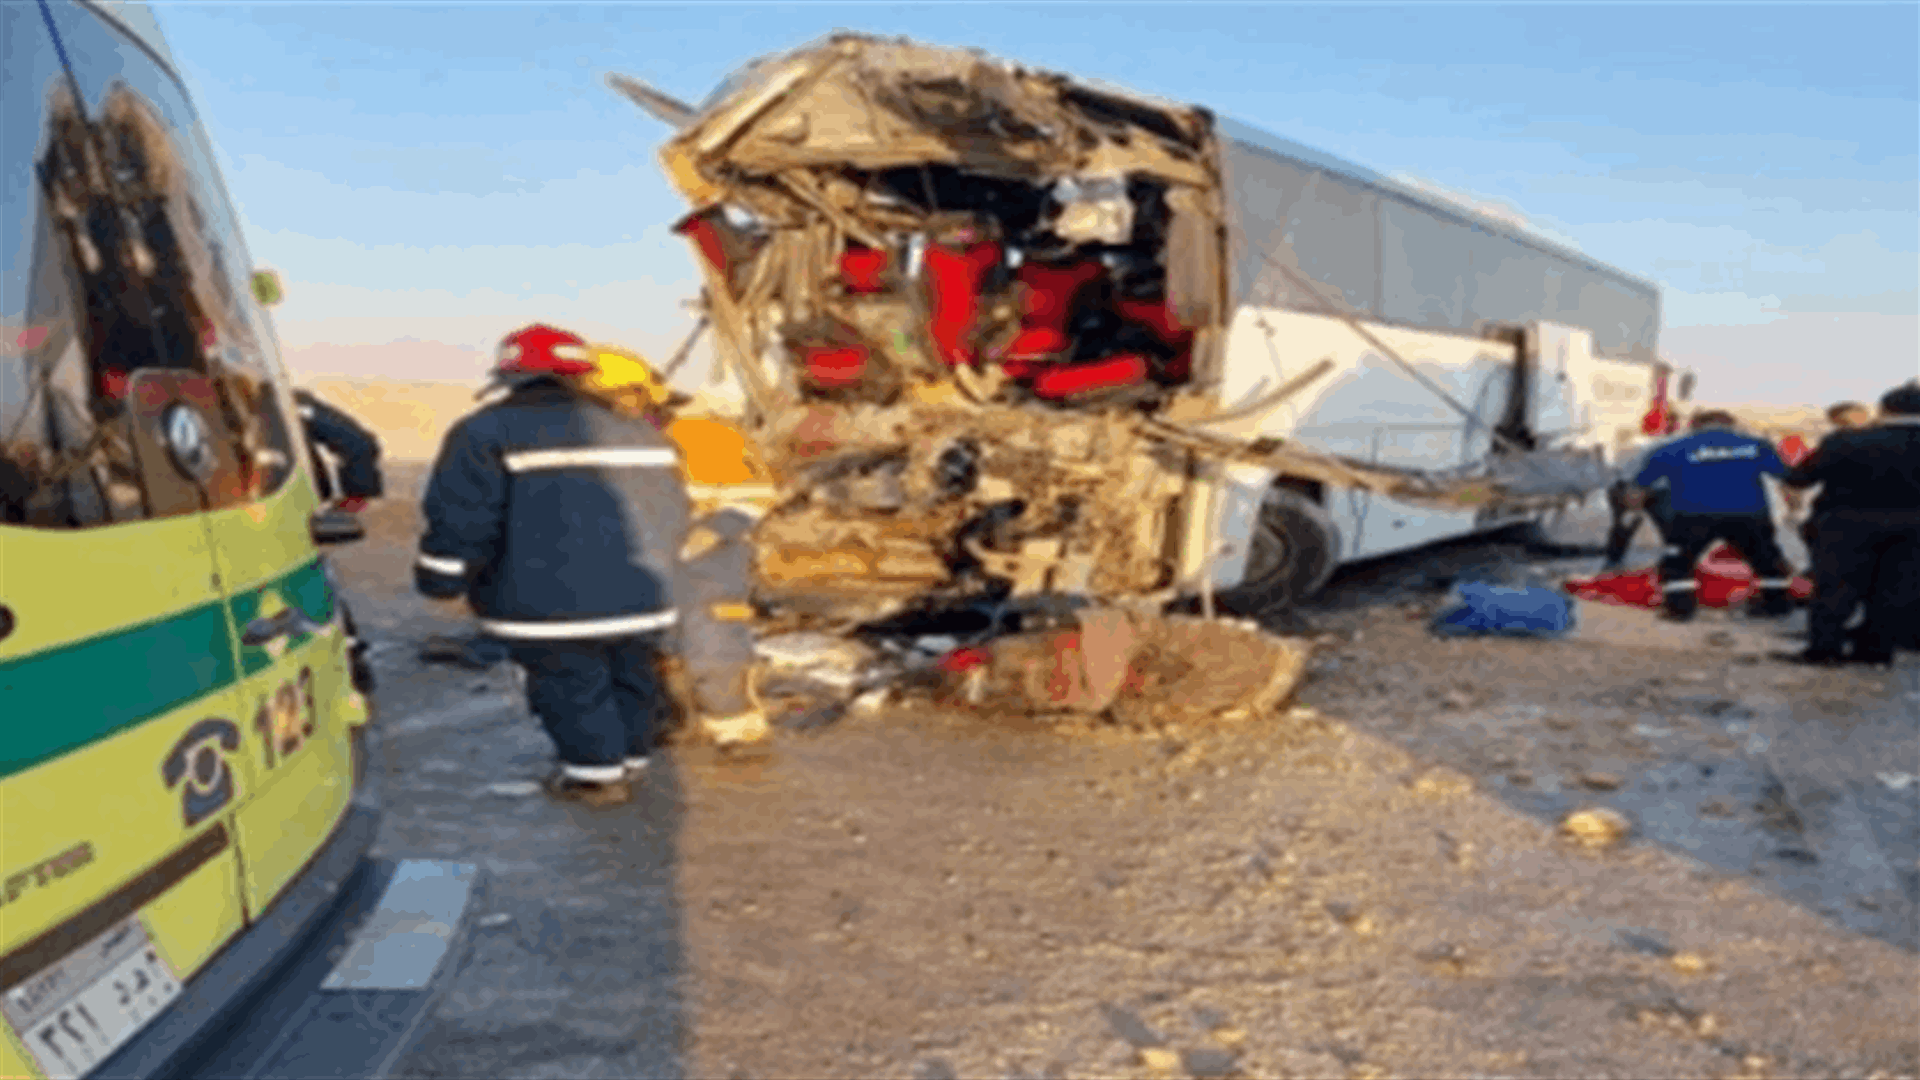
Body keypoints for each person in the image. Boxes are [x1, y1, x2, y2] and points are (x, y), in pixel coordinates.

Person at [414, 324, 692, 806]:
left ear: (510, 374)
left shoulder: (483, 431)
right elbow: (675, 510)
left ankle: (595, 777)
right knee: (632, 673)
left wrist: (440, 579)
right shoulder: (642, 433)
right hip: (647, 596)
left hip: (548, 604)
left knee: (569, 684)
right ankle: (631, 760)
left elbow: (461, 517)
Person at [579, 344, 778, 747]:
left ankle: (735, 730)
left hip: (708, 556)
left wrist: (715, 528)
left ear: (643, 393)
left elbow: (753, 495)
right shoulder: (591, 443)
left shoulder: (704, 434)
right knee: (641, 646)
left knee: (714, 642)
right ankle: (656, 722)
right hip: (634, 558)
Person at [1778, 382, 1920, 667]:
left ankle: (1825, 650)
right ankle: (1876, 653)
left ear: (1883, 410)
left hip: (1845, 525)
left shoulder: (1844, 441)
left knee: (1835, 588)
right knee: (1894, 589)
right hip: (1913, 528)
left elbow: (1799, 478)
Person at [1630, 410, 1798, 622]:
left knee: (1678, 562)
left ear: (1695, 425)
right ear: (1731, 424)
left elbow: (1639, 486)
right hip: (1749, 514)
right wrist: (1794, 507)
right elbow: (1788, 478)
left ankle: (1680, 609)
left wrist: (1631, 512)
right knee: (1767, 559)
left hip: (1693, 515)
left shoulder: (1673, 448)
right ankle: (1776, 605)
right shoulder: (1756, 446)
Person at [293, 388, 383, 694]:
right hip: (286, 510)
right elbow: (357, 443)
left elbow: (358, 444)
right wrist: (357, 492)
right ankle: (352, 665)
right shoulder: (281, 399)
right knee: (307, 578)